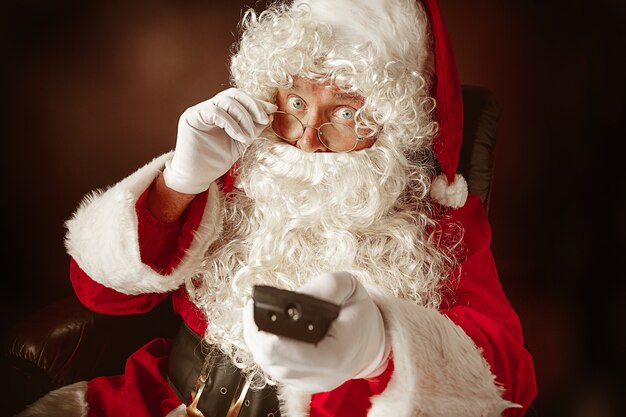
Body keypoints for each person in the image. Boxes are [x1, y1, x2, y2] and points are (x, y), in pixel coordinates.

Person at [16, 0, 537, 416]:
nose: (307, 137)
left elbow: (505, 378)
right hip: (163, 401)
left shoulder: (436, 215)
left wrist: (379, 346)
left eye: (345, 113)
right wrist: (178, 183)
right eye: (294, 104)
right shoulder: (240, 163)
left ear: (390, 120)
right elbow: (98, 292)